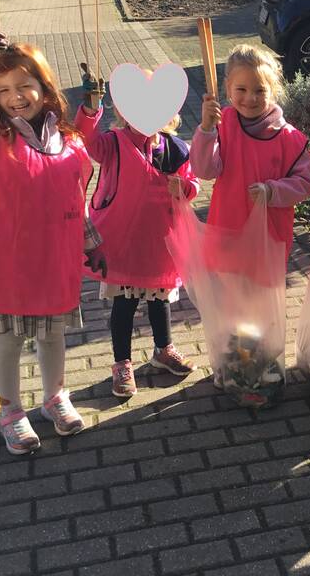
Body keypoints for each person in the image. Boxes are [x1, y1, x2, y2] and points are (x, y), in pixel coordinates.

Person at [0, 21, 105, 455]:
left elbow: (74, 201)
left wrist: (91, 241)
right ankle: (10, 410)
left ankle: (55, 396)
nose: (14, 97)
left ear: (44, 86)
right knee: (10, 339)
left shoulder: (67, 142)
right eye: (4, 90)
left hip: (54, 262)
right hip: (8, 266)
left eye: (24, 86)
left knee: (53, 335)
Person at [190, 44, 310, 384]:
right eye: (241, 90)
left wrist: (273, 191)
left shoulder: (290, 139)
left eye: (260, 90)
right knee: (231, 303)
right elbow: (204, 169)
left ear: (272, 90)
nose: (250, 98)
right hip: (228, 232)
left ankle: (263, 361)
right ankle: (232, 363)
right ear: (227, 88)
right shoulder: (223, 125)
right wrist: (204, 130)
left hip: (267, 240)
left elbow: (305, 181)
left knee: (260, 304)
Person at [76, 71, 200, 397]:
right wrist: (90, 110)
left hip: (159, 239)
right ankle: (122, 362)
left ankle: (163, 350)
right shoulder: (113, 144)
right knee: (124, 304)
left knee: (160, 300)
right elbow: (87, 141)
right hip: (123, 239)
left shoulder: (176, 147)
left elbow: (193, 184)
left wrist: (184, 187)